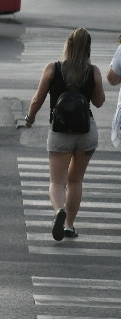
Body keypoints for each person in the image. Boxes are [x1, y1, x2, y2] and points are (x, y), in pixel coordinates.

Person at [22, 28, 106, 241]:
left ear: (67, 45)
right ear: (88, 48)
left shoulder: (53, 69)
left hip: (60, 132)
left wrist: (29, 119)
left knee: (57, 182)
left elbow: (37, 100)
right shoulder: (93, 71)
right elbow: (99, 102)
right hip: (86, 132)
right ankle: (69, 225)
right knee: (76, 180)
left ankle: (59, 210)